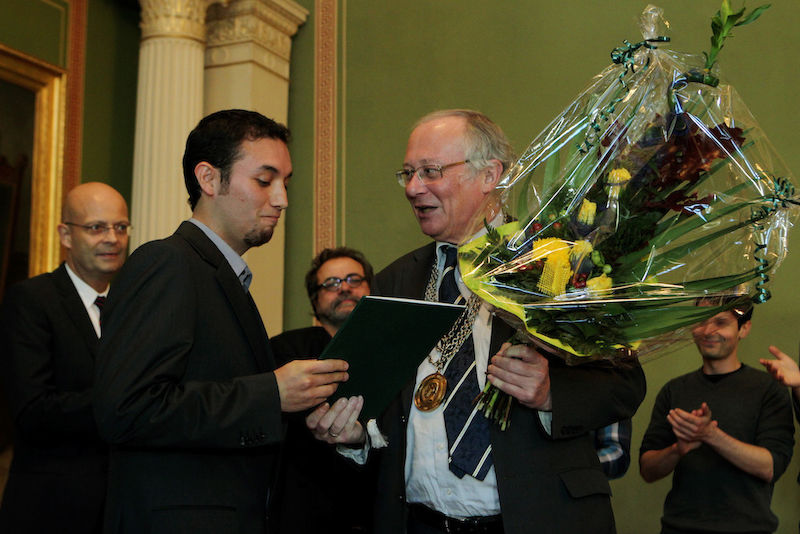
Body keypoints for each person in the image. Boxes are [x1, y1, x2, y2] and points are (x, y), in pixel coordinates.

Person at [307, 109, 647, 534]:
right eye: (408, 173)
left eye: (431, 171)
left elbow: (625, 385)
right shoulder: (395, 280)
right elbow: (384, 412)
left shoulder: (557, 261)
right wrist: (356, 434)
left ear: (490, 175)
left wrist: (550, 392)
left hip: (534, 519)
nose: (414, 188)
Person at [92, 109, 350, 534]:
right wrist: (271, 392)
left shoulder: (222, 275)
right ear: (209, 180)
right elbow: (126, 409)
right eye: (264, 181)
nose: (282, 199)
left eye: (286, 182)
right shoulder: (168, 262)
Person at [0, 182, 129, 533]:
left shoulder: (135, 307)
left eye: (120, 227)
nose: (112, 239)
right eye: (96, 227)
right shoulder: (32, 301)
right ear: (65, 235)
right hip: (52, 509)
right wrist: (127, 403)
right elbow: (33, 410)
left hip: (123, 508)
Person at [639, 298, 794, 534]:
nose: (708, 331)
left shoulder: (768, 389)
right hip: (678, 528)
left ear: (744, 328)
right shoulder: (674, 390)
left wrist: (711, 435)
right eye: (701, 321)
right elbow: (647, 470)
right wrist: (677, 449)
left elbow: (770, 467)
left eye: (721, 322)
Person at [269, 247, 374, 534]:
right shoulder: (285, 351)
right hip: (305, 509)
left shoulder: (392, 352)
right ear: (315, 300)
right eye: (331, 284)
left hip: (381, 509)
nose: (345, 289)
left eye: (354, 279)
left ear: (371, 288)